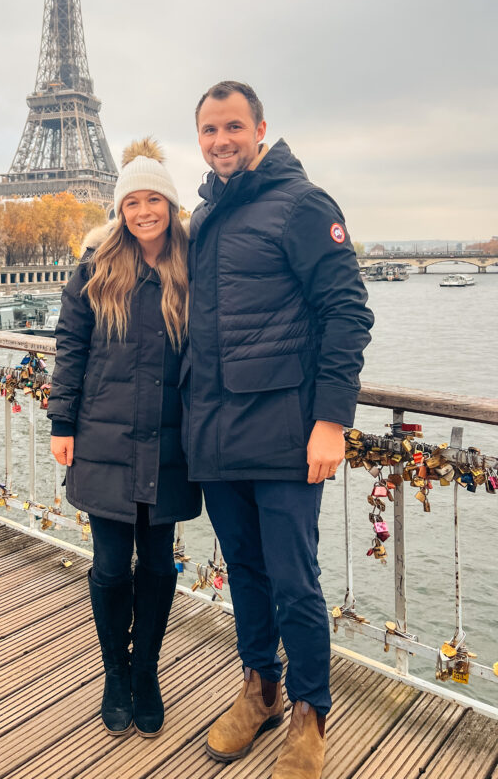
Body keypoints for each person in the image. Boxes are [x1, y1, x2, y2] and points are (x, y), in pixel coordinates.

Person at [184, 81, 373, 778]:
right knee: (247, 575)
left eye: (234, 126)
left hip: (285, 431)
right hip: (216, 432)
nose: (222, 140)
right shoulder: (203, 216)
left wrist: (331, 421)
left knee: (295, 581)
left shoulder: (303, 204)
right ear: (198, 138)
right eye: (209, 130)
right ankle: (259, 687)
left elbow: (348, 313)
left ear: (261, 128)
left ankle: (310, 713)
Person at [48, 138, 201, 739]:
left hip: (169, 441)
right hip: (104, 435)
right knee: (111, 565)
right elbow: (71, 348)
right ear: (119, 209)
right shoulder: (92, 268)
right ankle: (115, 672)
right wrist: (62, 424)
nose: (143, 211)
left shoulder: (192, 268)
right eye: (131, 202)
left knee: (159, 563)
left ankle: (146, 671)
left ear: (170, 204)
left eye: (153, 200)